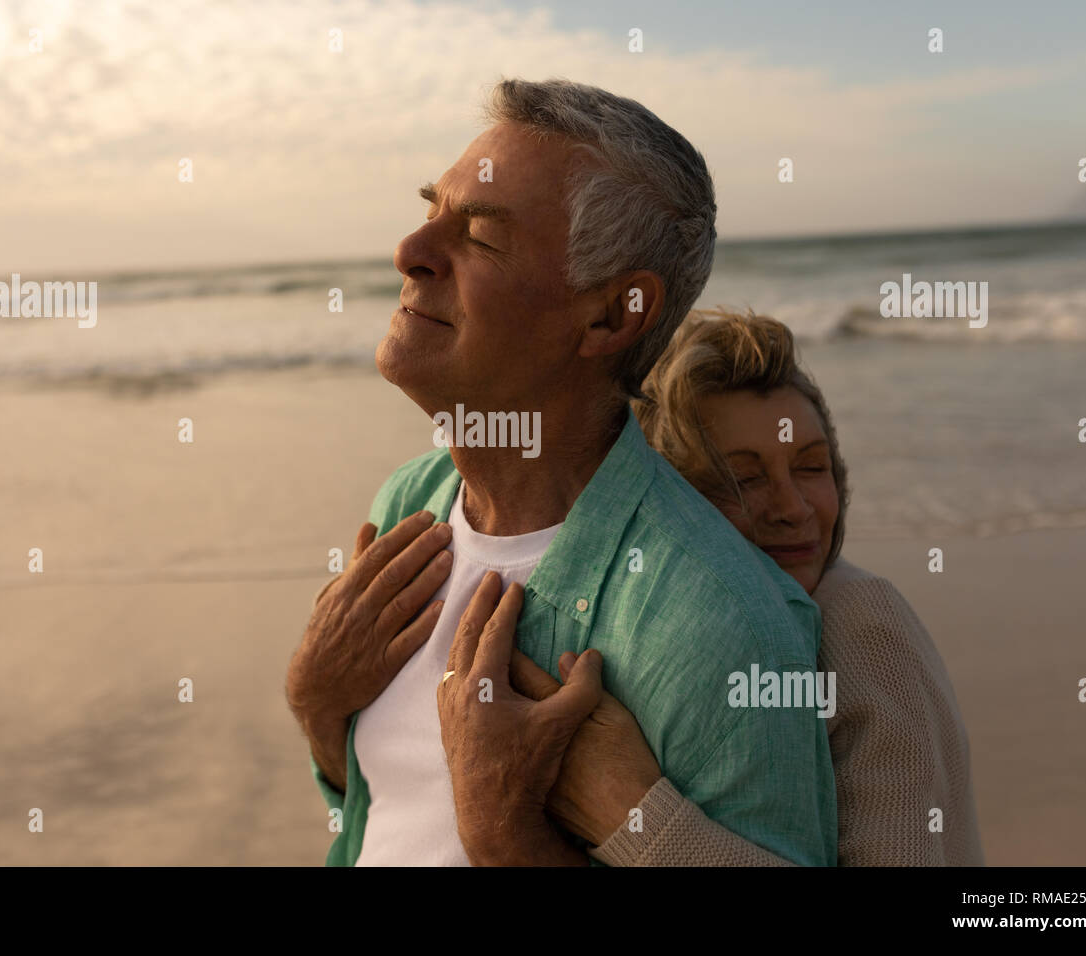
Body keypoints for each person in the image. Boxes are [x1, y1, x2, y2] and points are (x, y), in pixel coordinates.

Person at [286, 79, 837, 866]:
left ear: (612, 316)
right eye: (430, 209)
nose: (408, 251)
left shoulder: (721, 626)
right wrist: (316, 710)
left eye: (477, 234)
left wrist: (507, 833)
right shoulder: (410, 504)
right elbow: (387, 813)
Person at [506, 308, 985, 865]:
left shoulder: (856, 617)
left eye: (811, 467)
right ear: (671, 504)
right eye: (745, 480)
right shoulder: (689, 620)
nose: (792, 509)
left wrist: (630, 815)